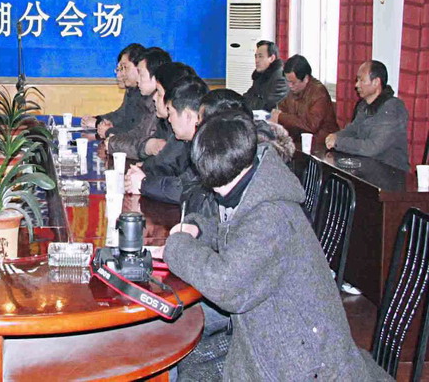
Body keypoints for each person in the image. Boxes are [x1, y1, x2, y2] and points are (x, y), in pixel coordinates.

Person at [164, 110, 387, 380]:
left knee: (184, 363)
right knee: (185, 358)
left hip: (301, 365)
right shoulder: (256, 180)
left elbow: (226, 285)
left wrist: (177, 247)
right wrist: (199, 228)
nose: (215, 193)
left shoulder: (271, 216)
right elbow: (236, 232)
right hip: (272, 340)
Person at [125, 75, 209, 205]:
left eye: (171, 112)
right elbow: (167, 168)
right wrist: (141, 174)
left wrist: (144, 184)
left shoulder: (208, 145)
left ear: (187, 115)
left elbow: (186, 188)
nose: (169, 120)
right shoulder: (187, 140)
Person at [326, 60, 409, 171]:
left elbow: (372, 147)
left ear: (376, 82)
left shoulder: (392, 108)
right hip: (366, 165)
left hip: (389, 171)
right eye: (357, 80)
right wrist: (334, 137)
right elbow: (353, 129)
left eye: (361, 80)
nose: (356, 85)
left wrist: (338, 142)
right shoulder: (364, 104)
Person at [107, 47, 171, 159]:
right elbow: (138, 133)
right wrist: (112, 140)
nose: (138, 80)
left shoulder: (161, 107)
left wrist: (112, 139)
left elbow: (143, 142)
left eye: (141, 75)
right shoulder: (147, 101)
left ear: (156, 77)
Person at [83, 43, 151, 139]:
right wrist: (99, 120)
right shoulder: (132, 90)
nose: (120, 75)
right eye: (119, 69)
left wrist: (104, 127)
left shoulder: (147, 94)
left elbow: (136, 132)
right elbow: (121, 115)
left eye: (125, 68)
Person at [270, 54, 339, 146]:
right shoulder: (294, 90)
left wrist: (281, 117)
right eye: (288, 81)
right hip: (299, 140)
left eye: (293, 82)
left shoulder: (318, 92)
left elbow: (311, 125)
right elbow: (283, 108)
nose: (290, 86)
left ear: (306, 79)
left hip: (321, 144)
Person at [242, 40, 289, 111]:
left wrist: (247, 102)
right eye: (256, 57)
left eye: (260, 56)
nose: (256, 60)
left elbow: (267, 106)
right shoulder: (260, 74)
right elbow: (248, 95)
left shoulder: (281, 78)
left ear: (272, 58)